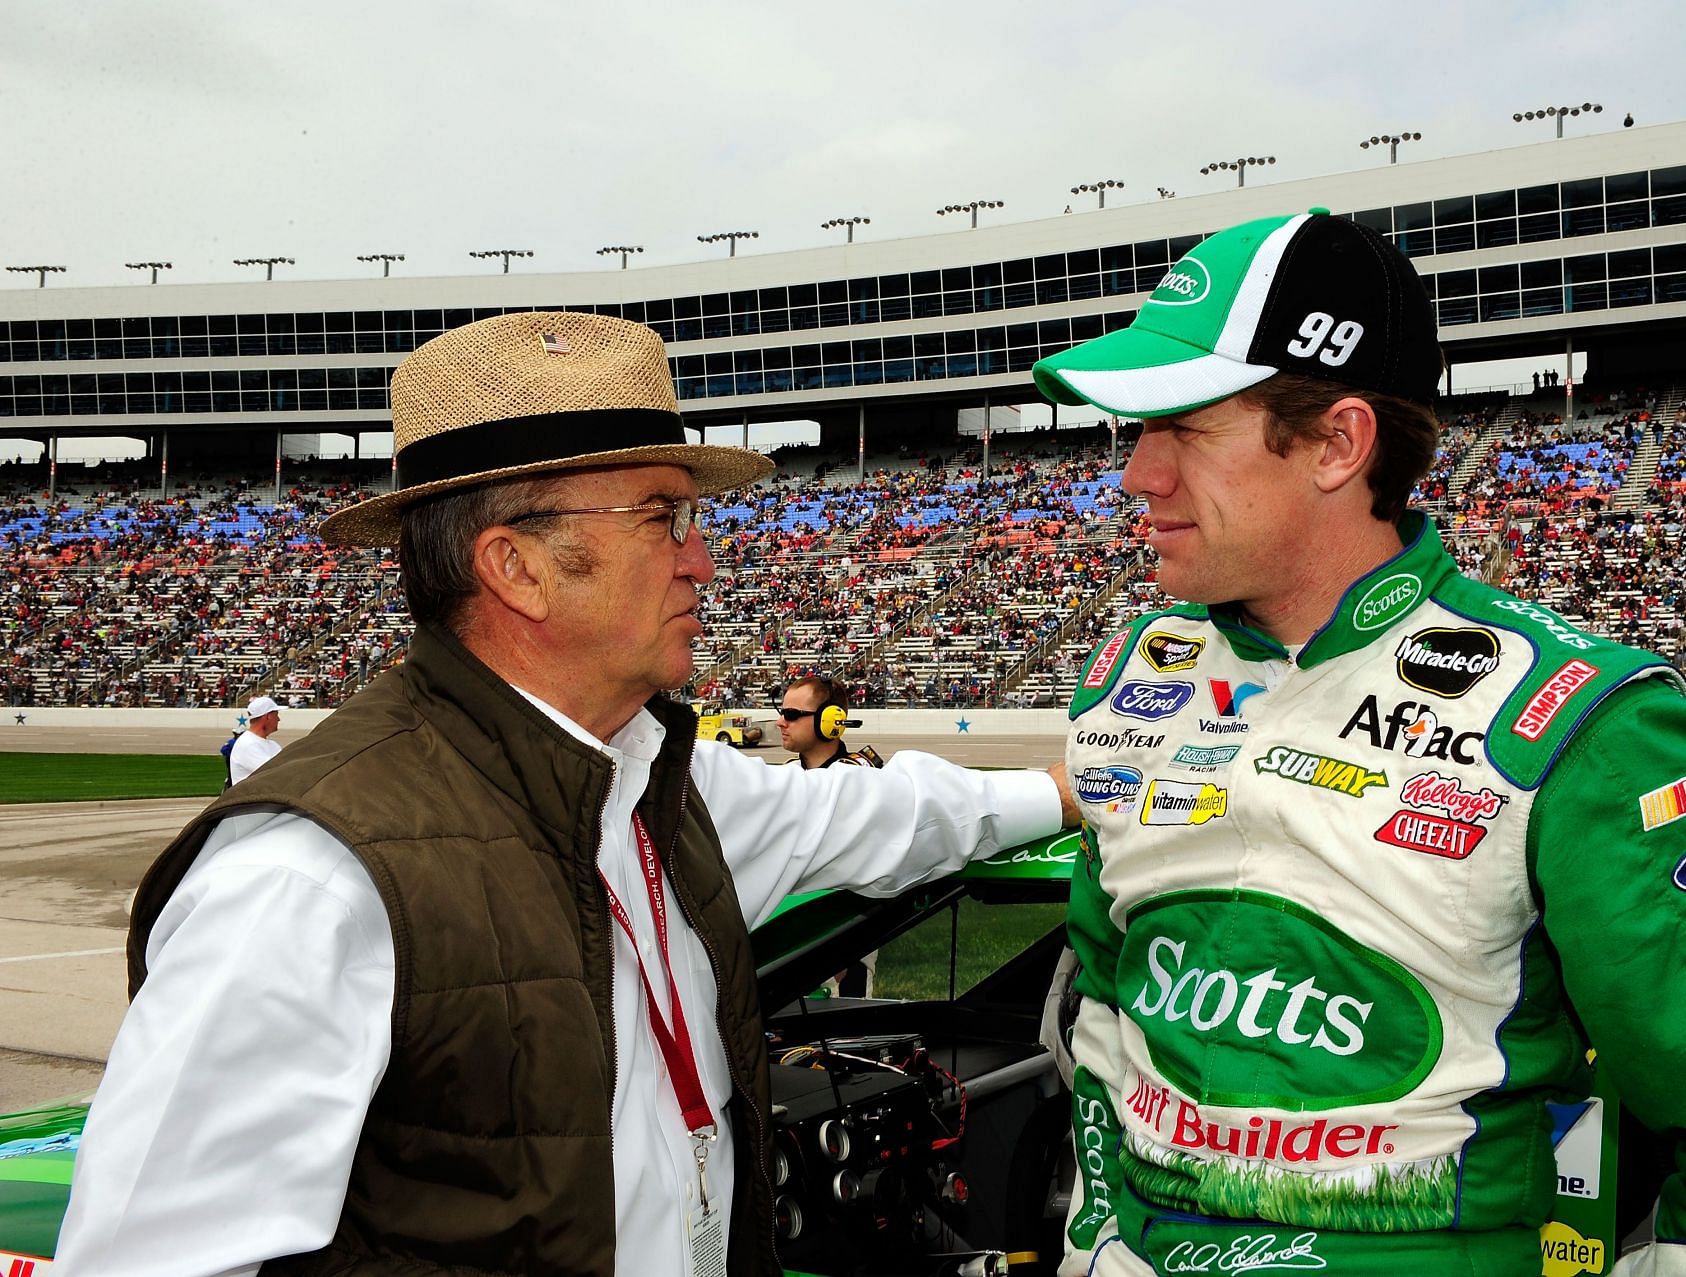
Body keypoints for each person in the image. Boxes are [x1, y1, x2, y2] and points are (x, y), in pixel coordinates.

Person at [58, 312, 1075, 1277]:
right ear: (517, 566)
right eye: (663, 517)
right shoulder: (309, 878)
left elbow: (888, 816)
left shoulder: (665, 782)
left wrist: (1081, 786)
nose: (704, 562)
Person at [1030, 213, 1686, 1277]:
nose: (1138, 474)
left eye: (1185, 428)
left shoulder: (1585, 720)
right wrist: (1098, 1240)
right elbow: (1106, 1003)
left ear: (1338, 444)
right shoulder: (1134, 679)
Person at [777, 675, 884, 769]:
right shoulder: (789, 770)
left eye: (791, 714)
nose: (779, 722)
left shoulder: (862, 778)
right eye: (782, 713)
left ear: (832, 719)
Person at [225, 694, 283, 784]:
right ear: (268, 716)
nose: (279, 719)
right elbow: (275, 773)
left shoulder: (273, 745)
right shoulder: (248, 744)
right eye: (276, 715)